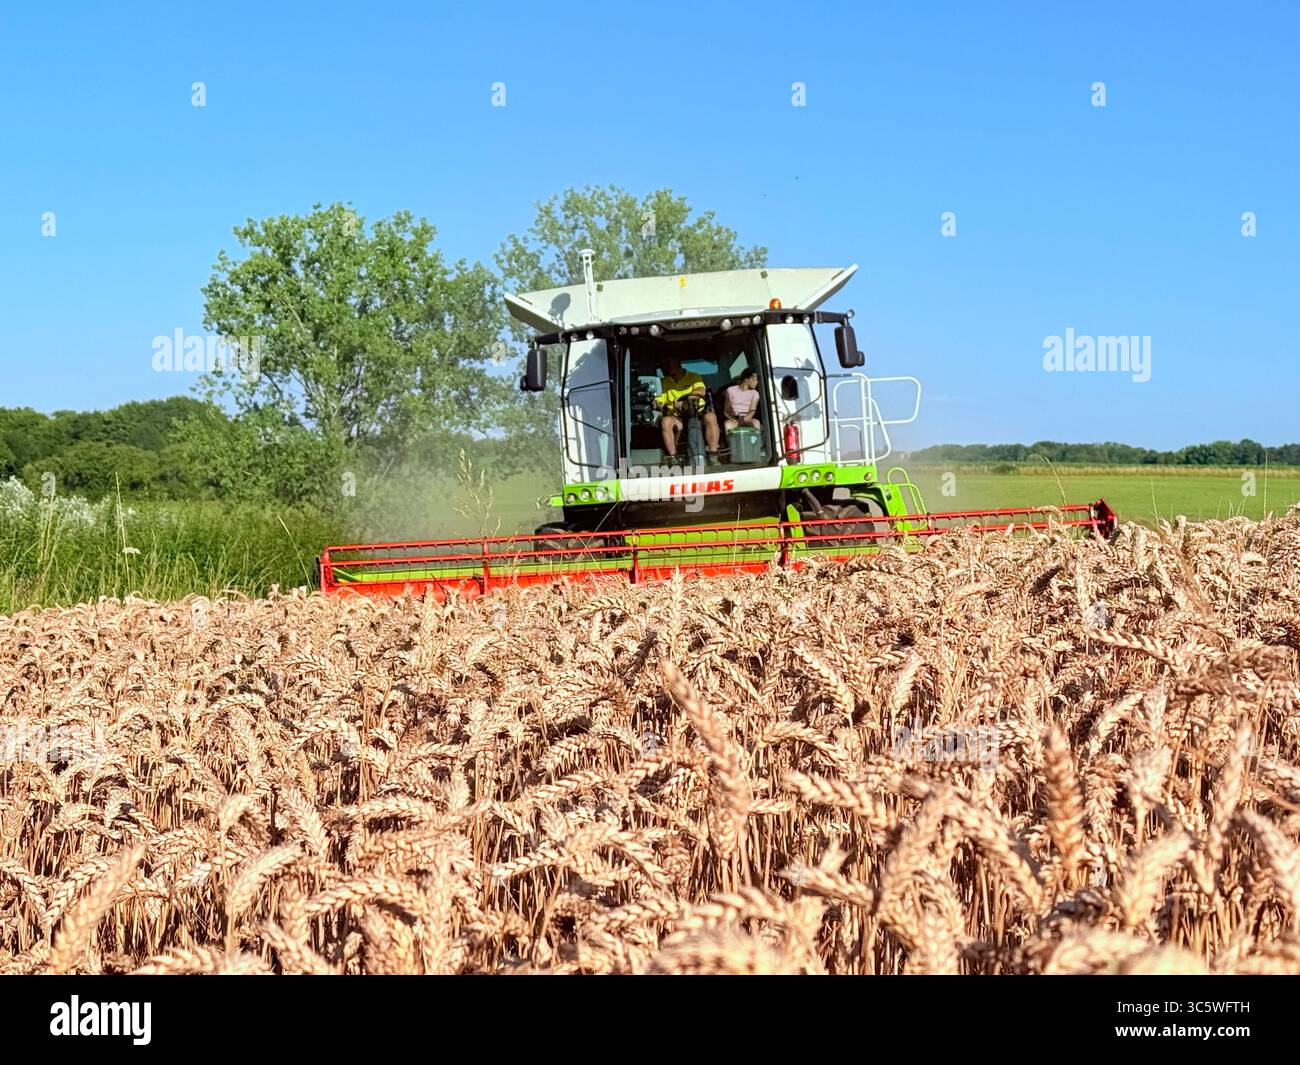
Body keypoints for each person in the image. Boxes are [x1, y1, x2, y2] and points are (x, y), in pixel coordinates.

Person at [653, 355, 720, 465]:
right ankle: (673, 459)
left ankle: (713, 456)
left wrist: (686, 397)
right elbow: (659, 400)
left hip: (698, 413)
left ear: (677, 363)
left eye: (667, 364)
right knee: (666, 422)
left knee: (711, 417)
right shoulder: (663, 382)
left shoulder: (694, 377)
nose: (664, 367)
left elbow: (701, 391)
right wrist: (656, 402)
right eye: (663, 365)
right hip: (677, 417)